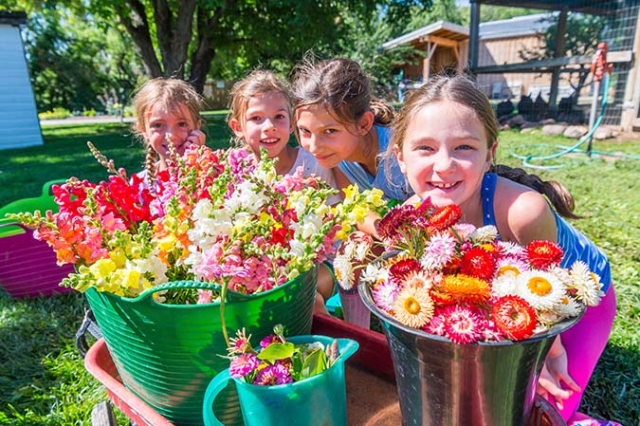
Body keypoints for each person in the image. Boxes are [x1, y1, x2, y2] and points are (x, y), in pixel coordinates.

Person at [389, 73, 618, 426]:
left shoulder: (524, 212)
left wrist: (546, 353)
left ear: (489, 154)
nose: (445, 165)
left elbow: (552, 301)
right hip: (510, 292)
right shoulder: (415, 217)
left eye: (464, 147)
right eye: (425, 148)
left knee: (538, 413)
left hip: (579, 302)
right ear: (400, 156)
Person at [226, 69, 340, 314]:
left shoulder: (312, 164)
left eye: (279, 117)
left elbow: (335, 221)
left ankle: (329, 346)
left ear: (291, 124)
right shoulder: (235, 170)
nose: (269, 127)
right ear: (238, 126)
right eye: (256, 118)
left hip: (315, 263)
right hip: (257, 266)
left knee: (308, 295)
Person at [291, 56, 413, 238]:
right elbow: (355, 206)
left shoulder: (403, 149)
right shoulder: (335, 159)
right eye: (305, 131)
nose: (314, 147)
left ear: (364, 124)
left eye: (330, 131)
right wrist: (385, 234)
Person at [132, 77, 207, 187]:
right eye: (158, 125)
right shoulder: (139, 185)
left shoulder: (212, 179)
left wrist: (195, 161)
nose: (171, 136)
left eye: (182, 124)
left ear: (197, 127)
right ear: (143, 129)